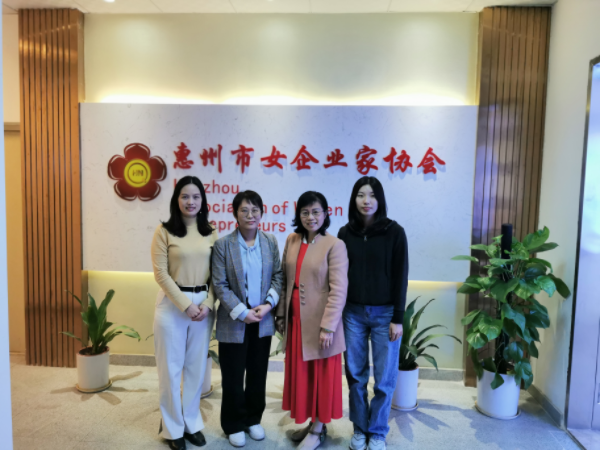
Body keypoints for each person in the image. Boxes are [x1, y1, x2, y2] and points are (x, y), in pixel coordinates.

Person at [338, 176, 409, 450]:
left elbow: (401, 277)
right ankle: (360, 428)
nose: (366, 201)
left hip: (385, 314)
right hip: (352, 313)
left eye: (372, 195)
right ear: (353, 199)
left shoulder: (395, 232)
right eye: (360, 195)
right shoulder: (345, 233)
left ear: (380, 199)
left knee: (384, 378)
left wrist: (398, 318)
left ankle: (377, 431)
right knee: (355, 376)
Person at [275, 191, 349, 450]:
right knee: (304, 376)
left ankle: (318, 429)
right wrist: (281, 314)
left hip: (320, 325)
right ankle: (311, 423)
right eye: (305, 212)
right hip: (296, 321)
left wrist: (328, 326)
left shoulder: (335, 244)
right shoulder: (292, 239)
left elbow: (339, 290)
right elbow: (285, 280)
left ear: (326, 214)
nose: (310, 217)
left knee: (321, 376)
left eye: (316, 211)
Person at [212, 190, 283, 448]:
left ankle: (253, 419)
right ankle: (233, 423)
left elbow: (278, 276)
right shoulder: (223, 245)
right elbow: (220, 285)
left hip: (262, 319)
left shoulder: (270, 241)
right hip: (234, 320)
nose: (250, 215)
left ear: (262, 213)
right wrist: (243, 312)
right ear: (235, 214)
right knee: (232, 375)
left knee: (257, 373)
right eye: (244, 210)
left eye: (255, 210)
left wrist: (268, 305)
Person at [151, 176, 217, 450]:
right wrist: (185, 305)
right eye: (185, 196)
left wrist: (207, 303)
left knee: (195, 368)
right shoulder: (164, 231)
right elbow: (160, 273)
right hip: (172, 305)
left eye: (196, 196)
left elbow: (217, 275)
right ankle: (172, 428)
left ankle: (190, 422)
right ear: (176, 199)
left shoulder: (210, 232)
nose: (191, 201)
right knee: (170, 369)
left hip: (203, 308)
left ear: (203, 200)